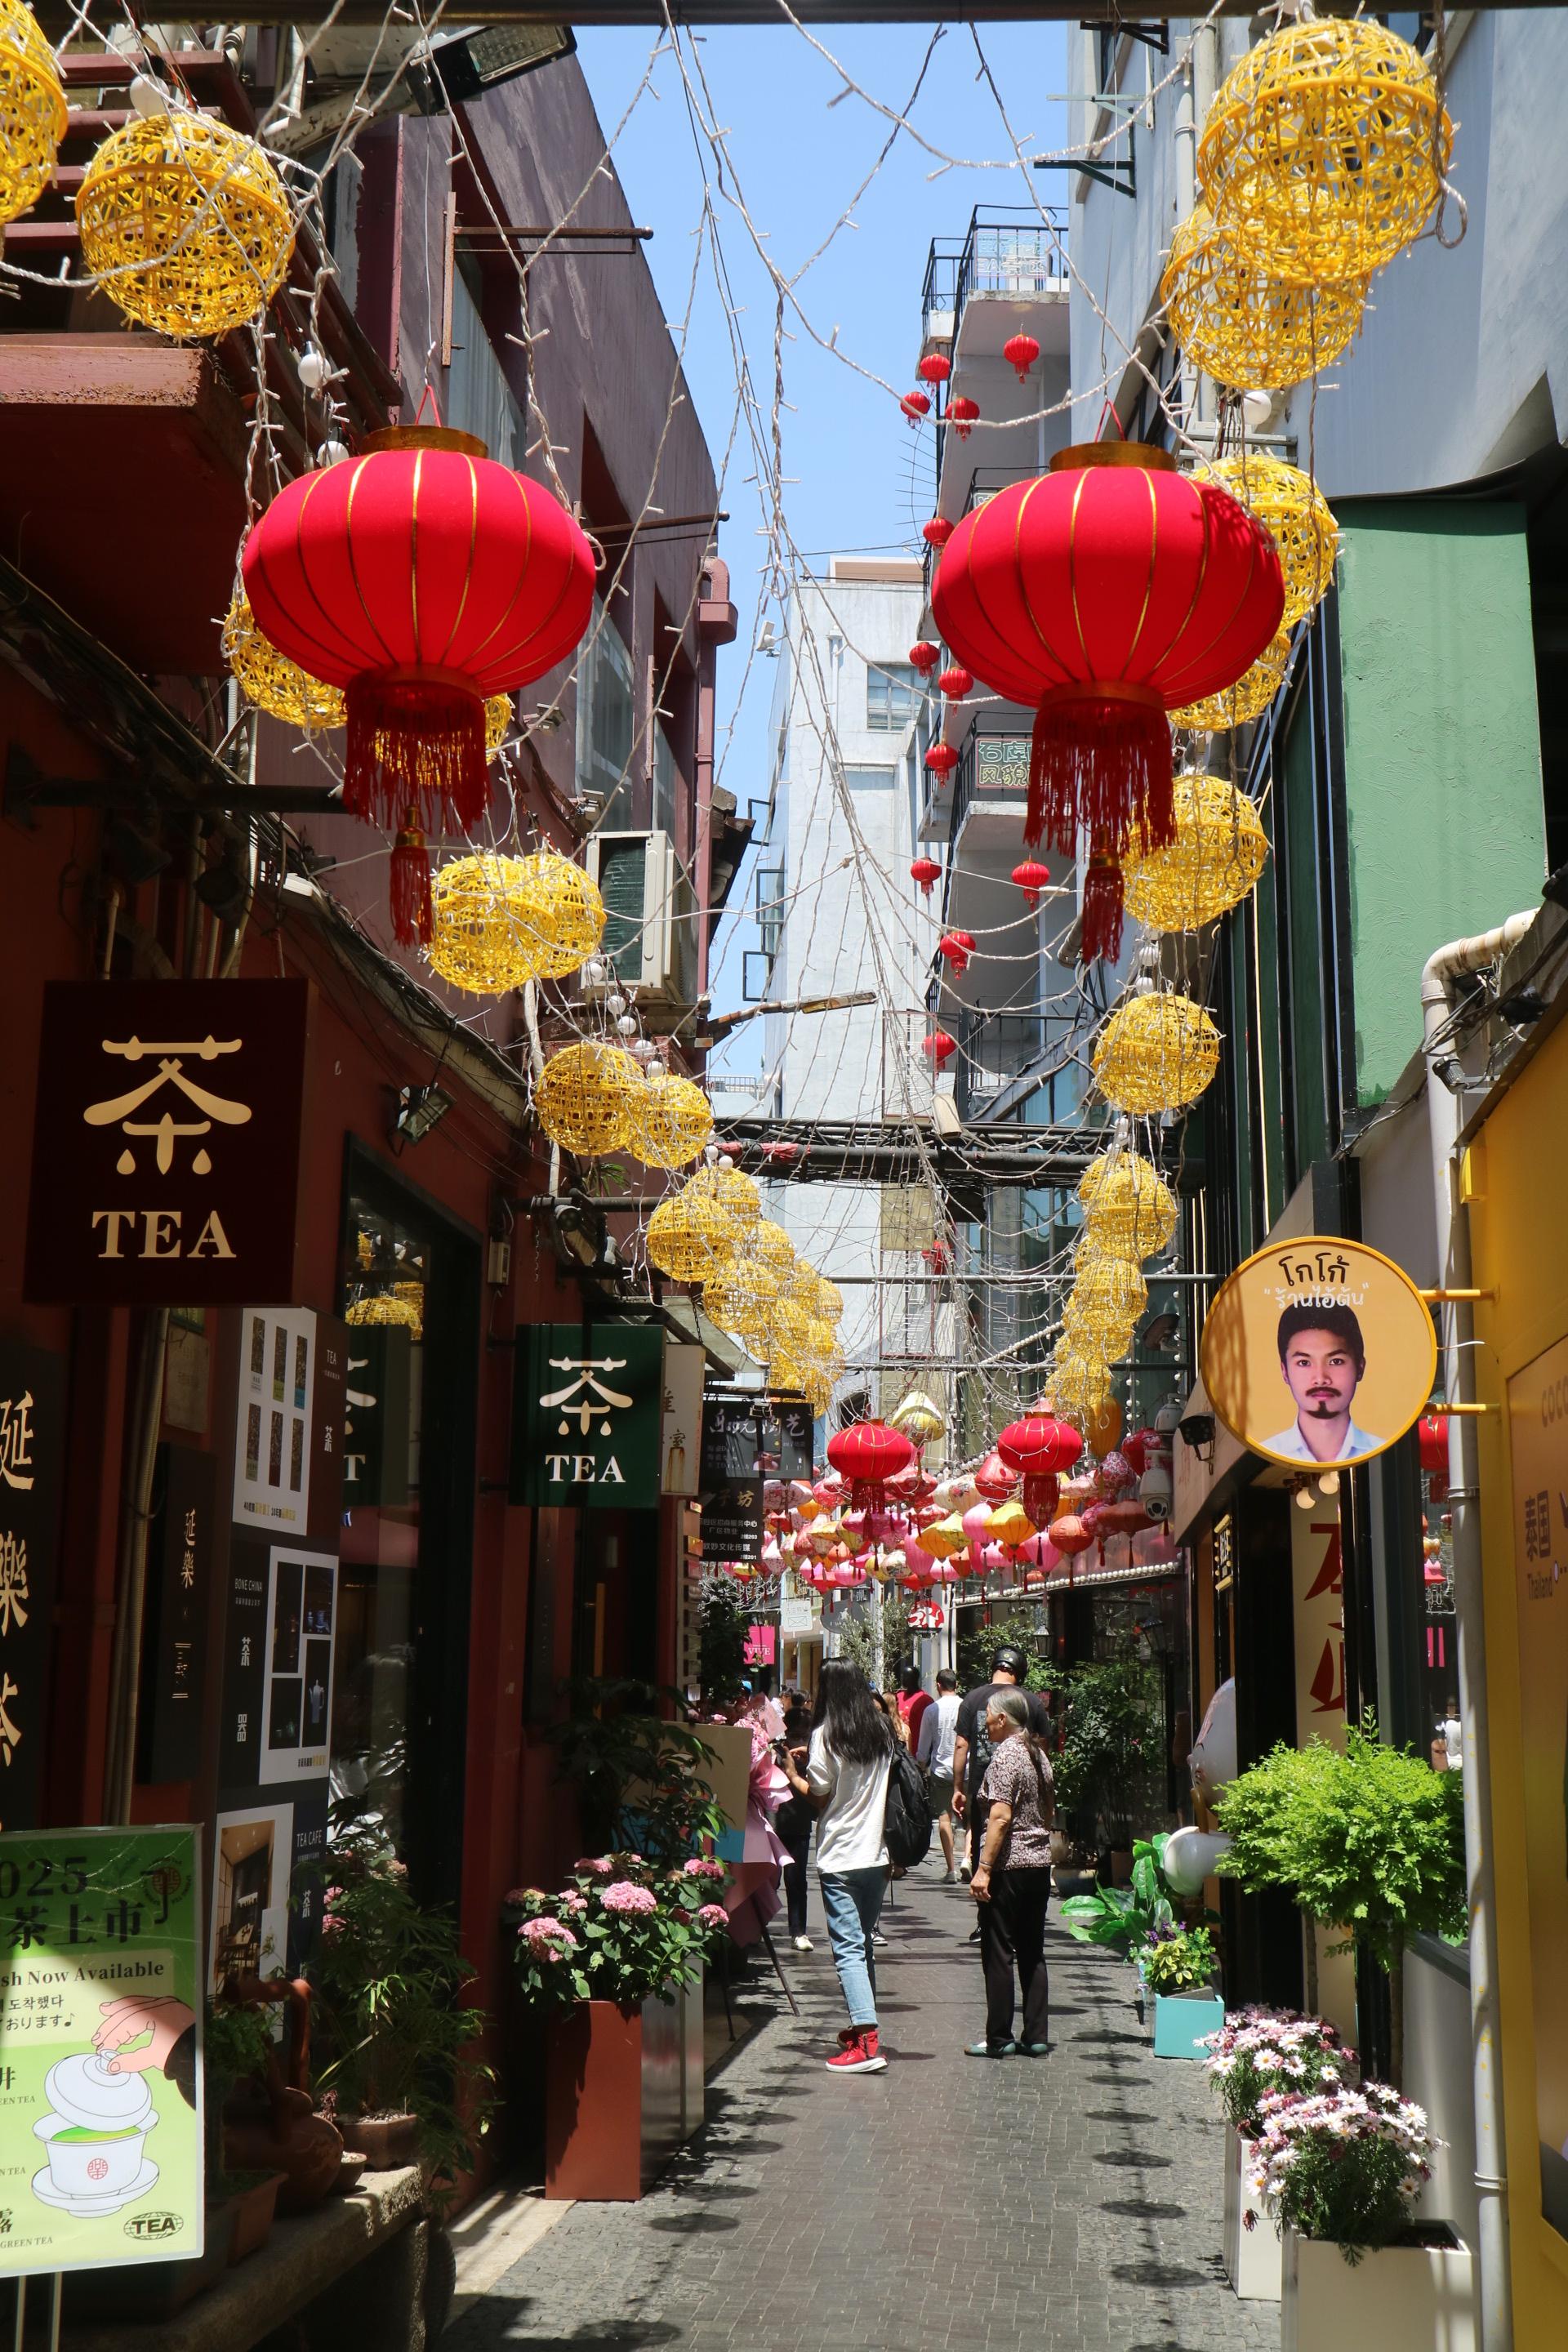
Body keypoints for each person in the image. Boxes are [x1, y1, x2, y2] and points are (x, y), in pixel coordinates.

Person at [782, 1659, 894, 2074]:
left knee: (847, 1949)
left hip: (841, 1856)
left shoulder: (825, 1734)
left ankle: (865, 2043)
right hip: (876, 1855)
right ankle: (865, 2026)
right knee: (862, 1945)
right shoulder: (881, 1730)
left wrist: (791, 1771)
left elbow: (818, 1795)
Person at [967, 1686, 1056, 2057]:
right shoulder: (1038, 1755)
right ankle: (1035, 2034)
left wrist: (984, 1868)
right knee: (1032, 1948)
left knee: (999, 1949)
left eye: (988, 1715)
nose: (985, 1722)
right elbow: (1049, 1809)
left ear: (1003, 1719)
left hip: (1010, 1866)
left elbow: (1000, 1817)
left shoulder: (1006, 1756)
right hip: (1038, 1863)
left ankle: (999, 2038)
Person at [952, 1645, 1050, 1882]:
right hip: (1024, 1794)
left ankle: (985, 1884)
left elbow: (961, 1745)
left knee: (984, 1840)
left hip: (982, 1789)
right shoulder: (1031, 1701)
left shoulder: (972, 1699)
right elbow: (1043, 1748)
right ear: (1019, 1672)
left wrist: (958, 1788)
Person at [1262, 1301, 1382, 1463]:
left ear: (1360, 1368)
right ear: (1285, 1372)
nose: (1320, 1379)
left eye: (1336, 1361)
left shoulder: (1381, 1451)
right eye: (1304, 1363)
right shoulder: (1269, 1452)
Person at [774, 1701, 817, 1950]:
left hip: (799, 1823)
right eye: (795, 1735)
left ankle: (799, 1931)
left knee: (796, 1879)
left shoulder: (813, 1758)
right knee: (768, 1880)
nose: (799, 1741)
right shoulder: (775, 1754)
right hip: (773, 1823)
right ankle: (757, 1926)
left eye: (804, 1736)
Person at [915, 1667, 961, 1881]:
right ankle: (968, 1859)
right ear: (956, 1685)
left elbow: (923, 1747)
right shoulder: (965, 1706)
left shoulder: (931, 1710)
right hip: (965, 1769)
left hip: (941, 1769)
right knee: (969, 1820)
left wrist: (920, 1762)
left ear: (938, 1685)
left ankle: (951, 1868)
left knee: (944, 1818)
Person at [896, 1665, 933, 1762]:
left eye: (906, 1676)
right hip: (899, 1753)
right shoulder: (898, 1697)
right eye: (902, 1676)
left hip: (917, 1753)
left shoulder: (925, 1700)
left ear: (914, 1678)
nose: (903, 1679)